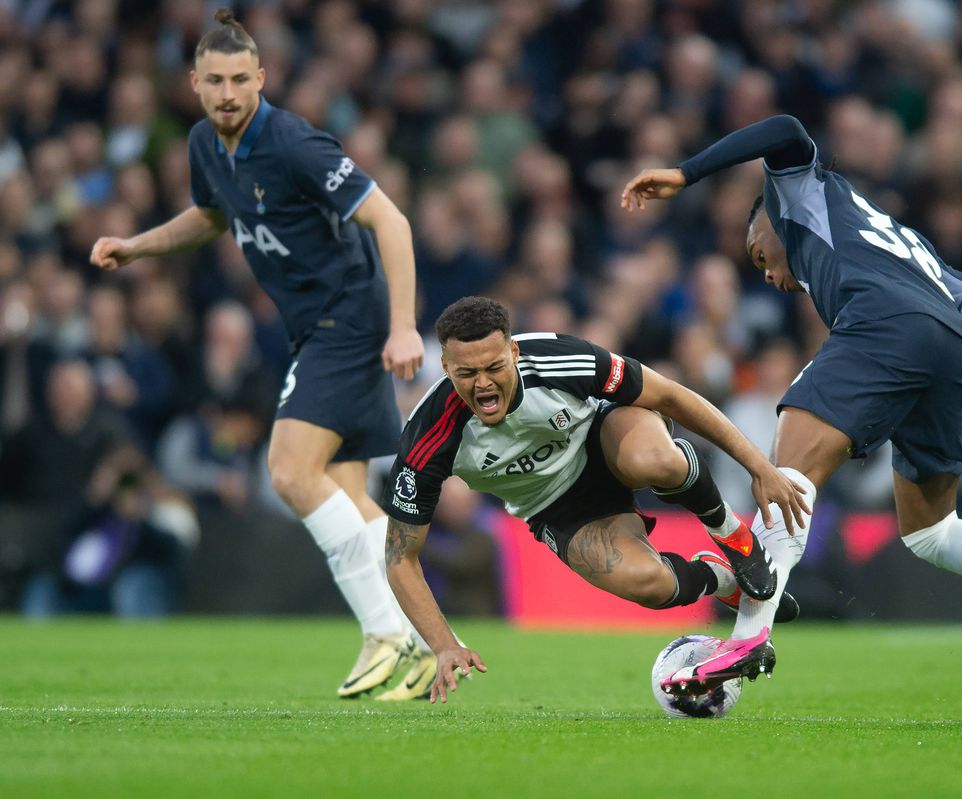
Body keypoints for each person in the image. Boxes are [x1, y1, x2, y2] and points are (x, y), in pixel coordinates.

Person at [622, 114, 962, 705]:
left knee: (787, 471)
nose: (771, 276)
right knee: (932, 532)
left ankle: (748, 637)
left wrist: (686, 173)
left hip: (884, 324)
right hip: (953, 349)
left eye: (760, 257)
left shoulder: (797, 194)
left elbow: (784, 128)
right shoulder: (916, 256)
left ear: (769, 220)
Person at [89, 10, 430, 700]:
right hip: (315, 327)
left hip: (348, 319)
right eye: (214, 80)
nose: (227, 93)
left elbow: (389, 219)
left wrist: (404, 326)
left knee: (288, 470)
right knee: (346, 494)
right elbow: (212, 215)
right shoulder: (204, 145)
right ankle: (424, 642)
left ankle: (384, 632)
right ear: (193, 83)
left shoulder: (295, 143)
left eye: (240, 79)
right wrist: (137, 246)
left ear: (261, 79)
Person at [382, 297, 809, 702]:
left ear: (513, 351)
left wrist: (759, 466)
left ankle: (731, 534)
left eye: (494, 367)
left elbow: (670, 395)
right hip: (556, 505)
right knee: (649, 585)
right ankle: (724, 581)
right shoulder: (427, 437)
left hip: (605, 436)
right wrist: (443, 645)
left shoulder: (557, 358)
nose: (483, 384)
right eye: (467, 373)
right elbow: (400, 558)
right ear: (445, 366)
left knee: (653, 459)